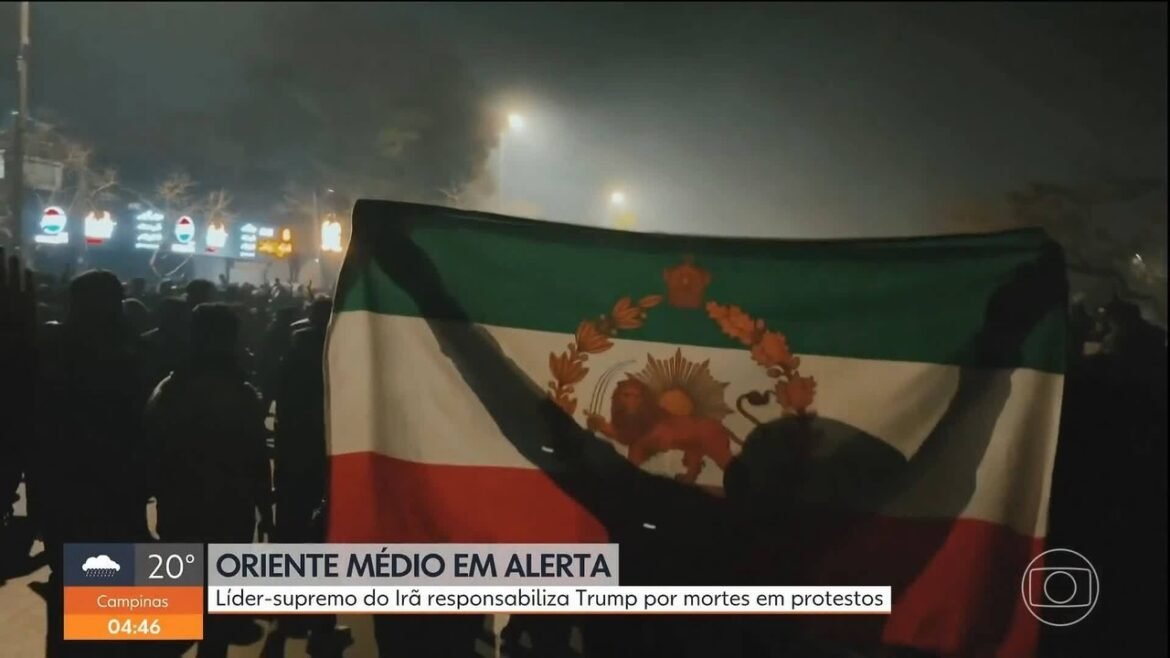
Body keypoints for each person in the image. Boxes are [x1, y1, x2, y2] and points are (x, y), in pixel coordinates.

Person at [144, 303, 272, 658]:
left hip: (181, 509)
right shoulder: (242, 393)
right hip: (231, 512)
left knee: (177, 610)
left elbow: (151, 448)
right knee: (217, 618)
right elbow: (256, 456)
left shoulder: (170, 389)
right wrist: (265, 508)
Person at [31, 269, 147, 658]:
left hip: (66, 494)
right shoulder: (126, 356)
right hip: (109, 493)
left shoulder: (52, 351)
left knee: (70, 587)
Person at [263, 295, 351, 657]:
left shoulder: (292, 353)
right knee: (325, 540)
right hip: (325, 459)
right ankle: (324, 622)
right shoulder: (339, 357)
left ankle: (284, 615)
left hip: (292, 459)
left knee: (291, 532)